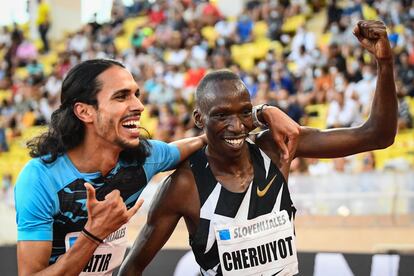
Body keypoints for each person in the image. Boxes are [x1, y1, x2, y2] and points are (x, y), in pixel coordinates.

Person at [119, 20, 397, 276]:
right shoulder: (184, 186)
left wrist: (384, 64)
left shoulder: (277, 147)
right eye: (221, 115)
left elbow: (377, 136)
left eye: (244, 113)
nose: (237, 126)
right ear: (199, 119)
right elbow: (131, 269)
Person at [14, 58, 299, 275]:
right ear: (84, 111)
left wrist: (262, 113)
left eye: (136, 94)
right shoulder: (41, 178)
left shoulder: (144, 157)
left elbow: (208, 136)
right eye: (122, 96)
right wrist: (93, 235)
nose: (138, 105)